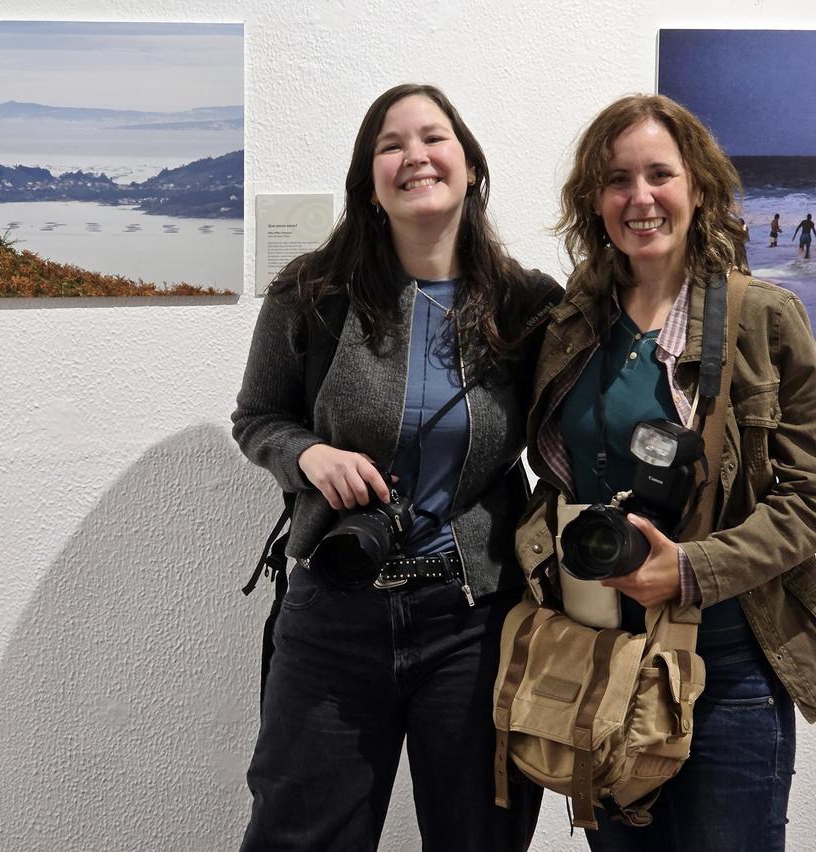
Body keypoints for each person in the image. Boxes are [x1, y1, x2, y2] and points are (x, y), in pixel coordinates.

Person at [516, 94, 816, 850]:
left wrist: (692, 569)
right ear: (593, 200)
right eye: (616, 180)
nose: (639, 198)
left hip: (727, 662)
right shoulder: (572, 320)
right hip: (601, 653)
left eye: (659, 175)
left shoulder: (763, 317)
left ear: (697, 186)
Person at [232, 83, 561, 851]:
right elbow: (256, 420)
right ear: (369, 181)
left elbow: (577, 430)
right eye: (391, 144)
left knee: (481, 836)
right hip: (335, 608)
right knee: (297, 834)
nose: (415, 155)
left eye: (433, 137)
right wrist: (308, 454)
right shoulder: (313, 293)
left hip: (476, 620)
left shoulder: (528, 306)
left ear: (471, 165)